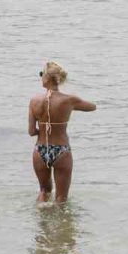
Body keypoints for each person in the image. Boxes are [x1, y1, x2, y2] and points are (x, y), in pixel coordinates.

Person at [28, 61, 96, 203]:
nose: (40, 77)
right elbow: (92, 107)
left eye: (42, 74)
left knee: (44, 191)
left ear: (47, 78)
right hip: (61, 150)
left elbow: (31, 131)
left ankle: (42, 223)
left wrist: (44, 126)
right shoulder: (69, 100)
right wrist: (71, 106)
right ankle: (62, 225)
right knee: (61, 198)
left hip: (40, 150)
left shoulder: (34, 100)